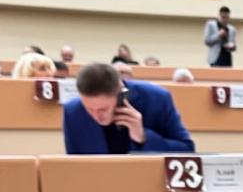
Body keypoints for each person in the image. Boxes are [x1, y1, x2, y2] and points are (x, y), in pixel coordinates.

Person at [63, 62, 194, 154]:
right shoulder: (72, 111)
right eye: (89, 109)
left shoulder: (157, 99)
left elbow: (187, 150)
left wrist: (144, 137)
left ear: (121, 94)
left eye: (103, 109)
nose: (96, 117)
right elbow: (75, 166)